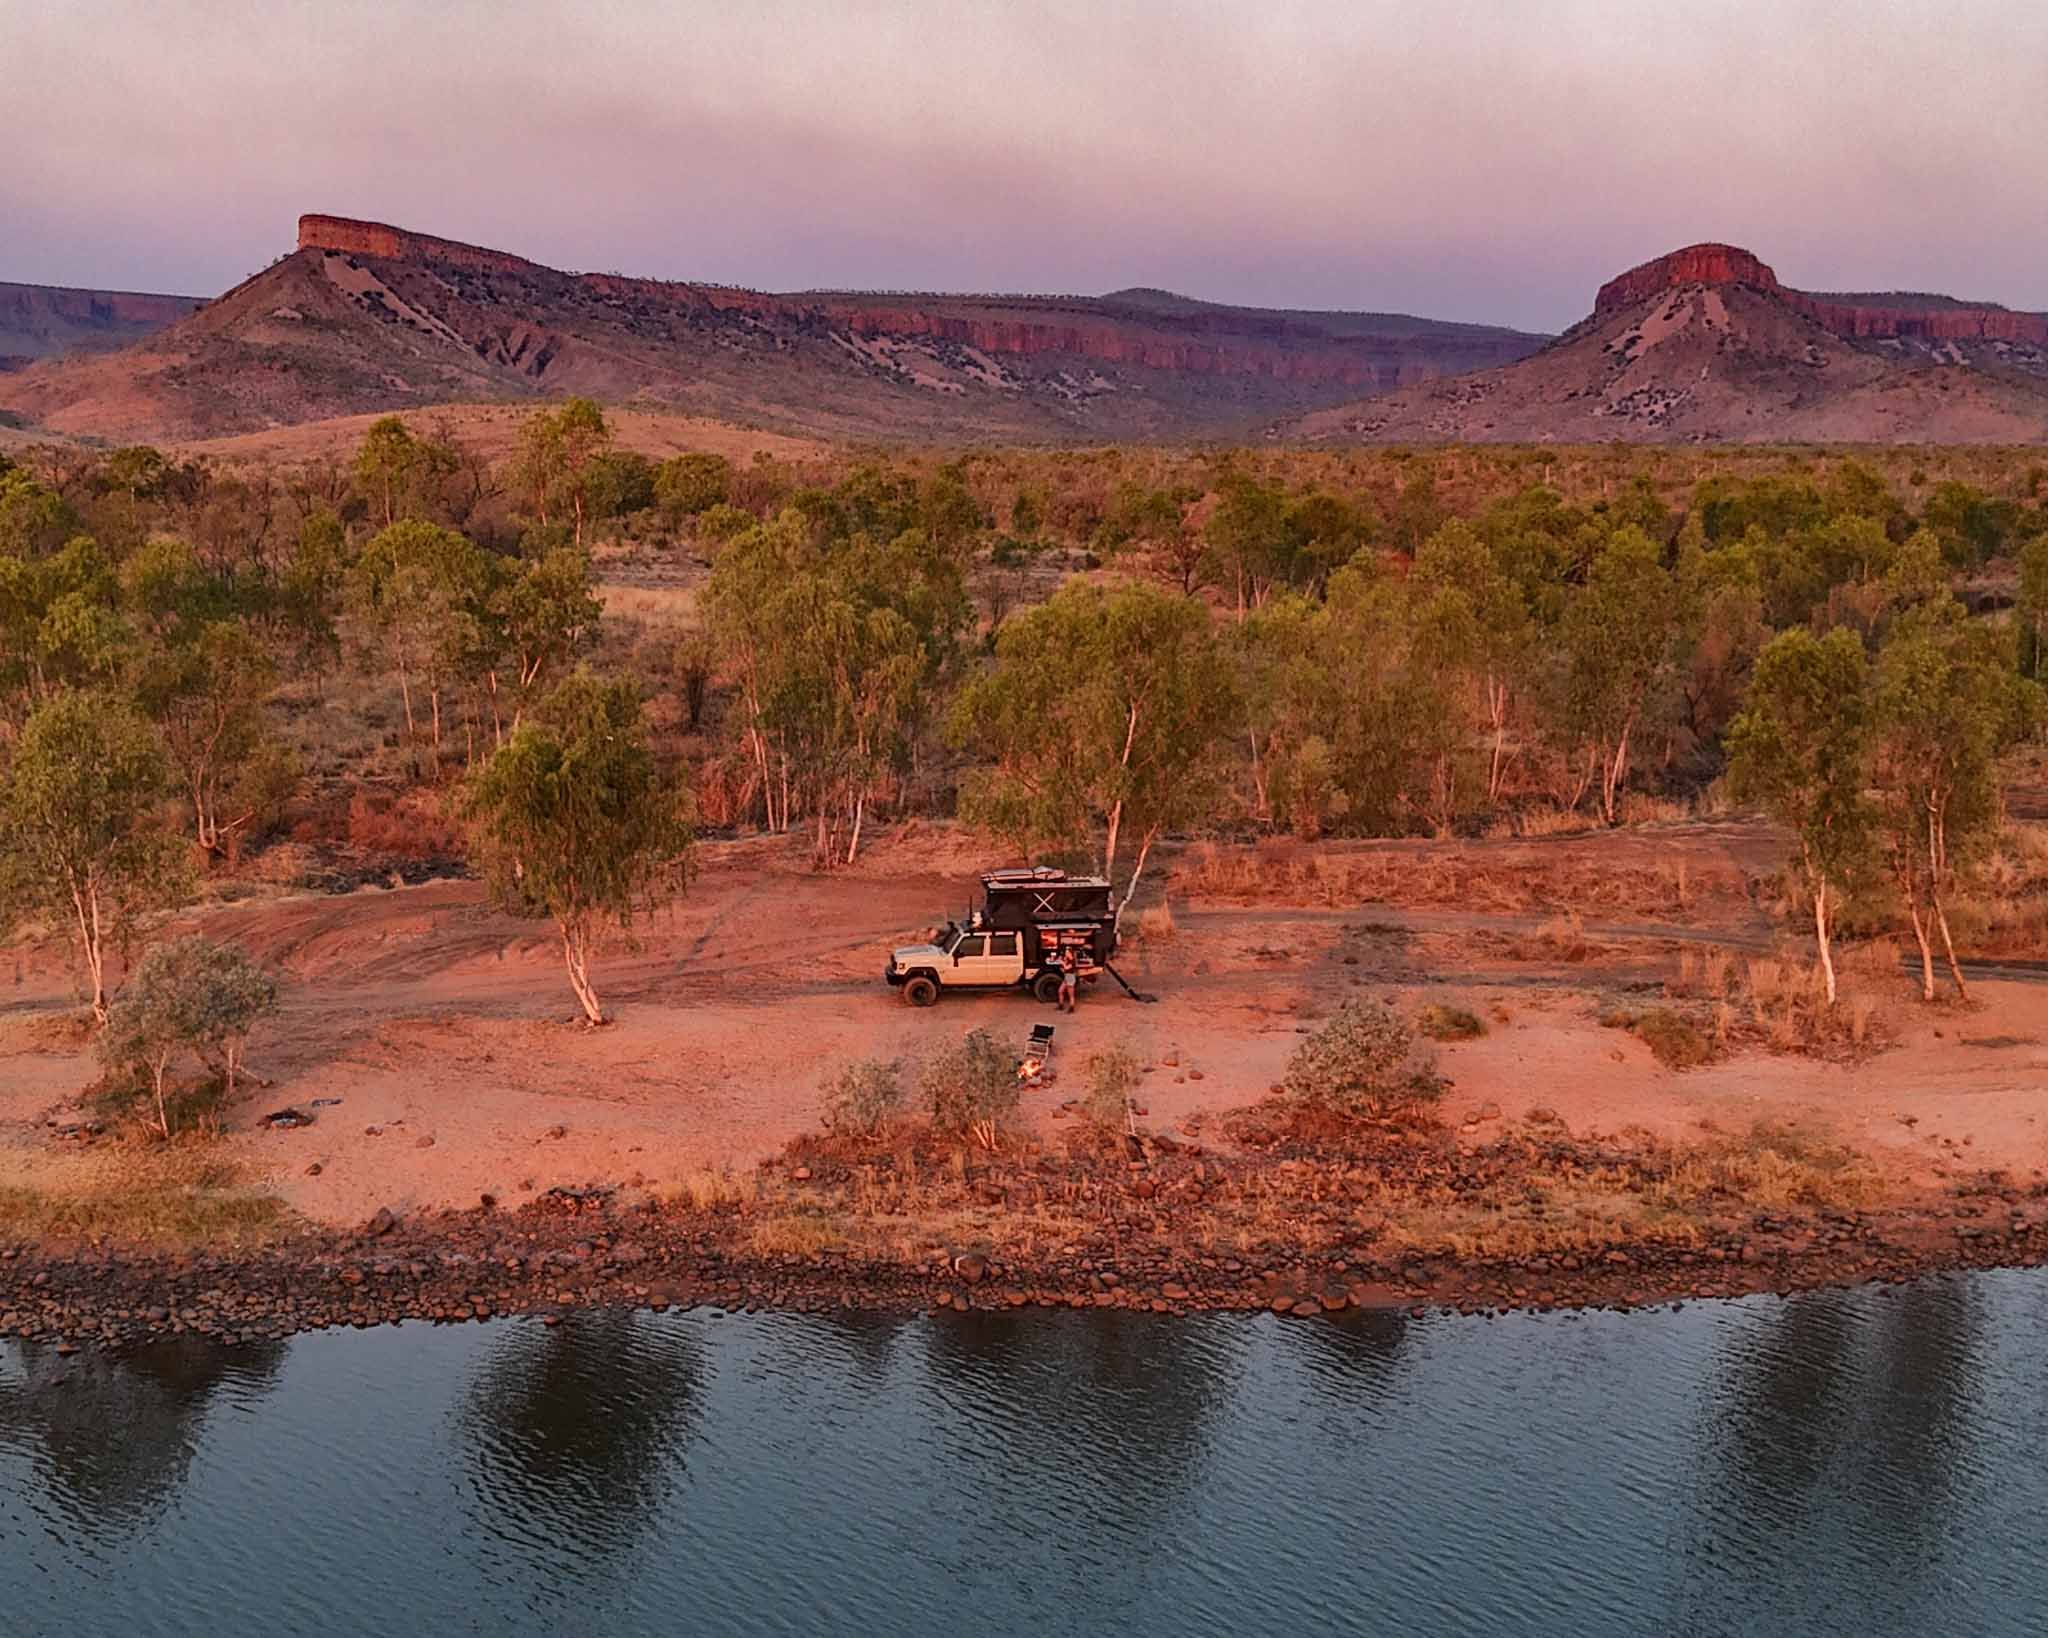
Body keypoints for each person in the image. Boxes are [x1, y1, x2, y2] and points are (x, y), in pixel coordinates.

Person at [1057, 947, 1079, 1013]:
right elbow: (1064, 969)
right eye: (1065, 952)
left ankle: (1072, 1008)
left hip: (1070, 977)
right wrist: (1062, 961)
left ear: (1070, 953)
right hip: (1066, 977)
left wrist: (1062, 962)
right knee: (1060, 991)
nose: (1066, 954)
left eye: (1067, 952)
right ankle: (1061, 1005)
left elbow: (1067, 968)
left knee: (1070, 994)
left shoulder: (1072, 961)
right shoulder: (1068, 960)